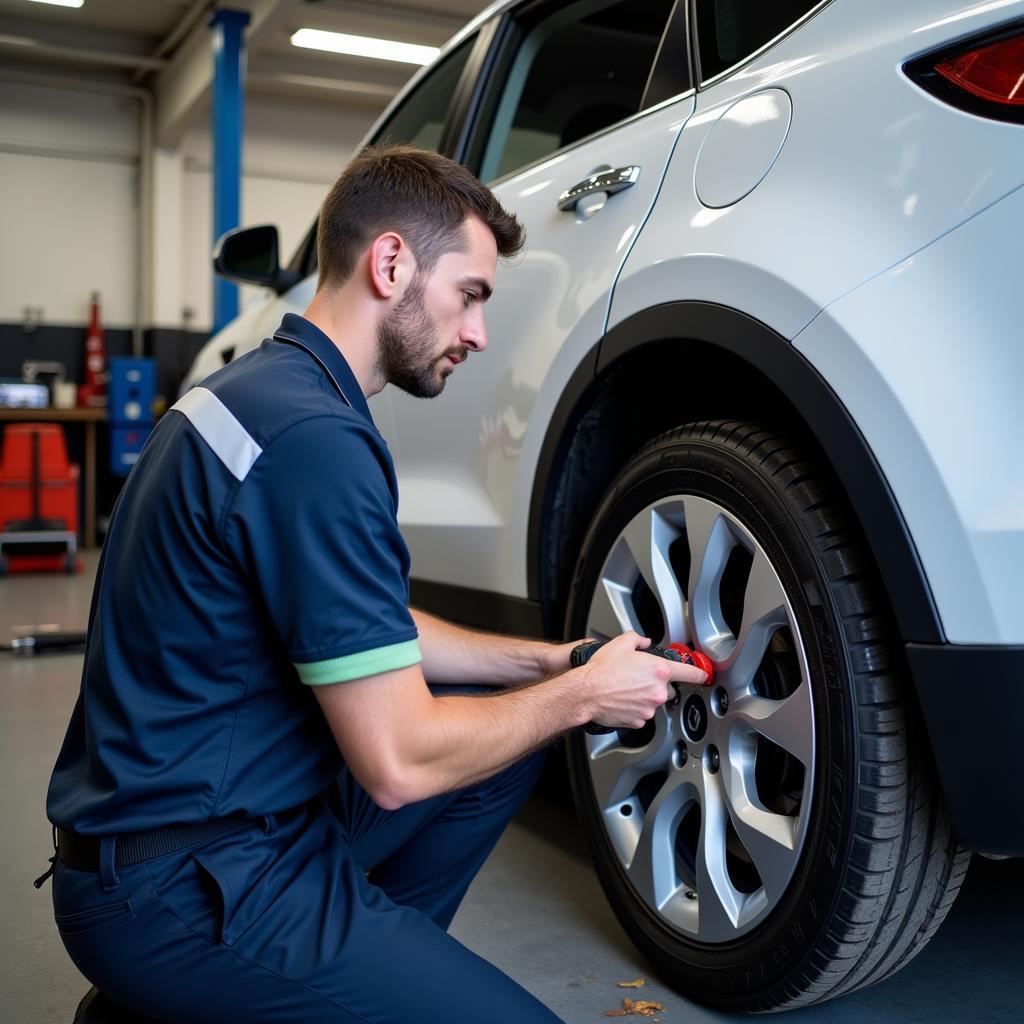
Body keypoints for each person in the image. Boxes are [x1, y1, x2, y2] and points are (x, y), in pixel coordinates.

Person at [40, 145, 706, 1024]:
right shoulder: (316, 442)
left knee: (498, 755)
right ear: (391, 263)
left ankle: (324, 979)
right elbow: (397, 763)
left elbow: (373, 628)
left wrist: (550, 662)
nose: (477, 333)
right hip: (183, 881)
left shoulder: (254, 393)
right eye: (470, 295)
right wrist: (584, 696)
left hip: (198, 827)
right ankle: (273, 982)